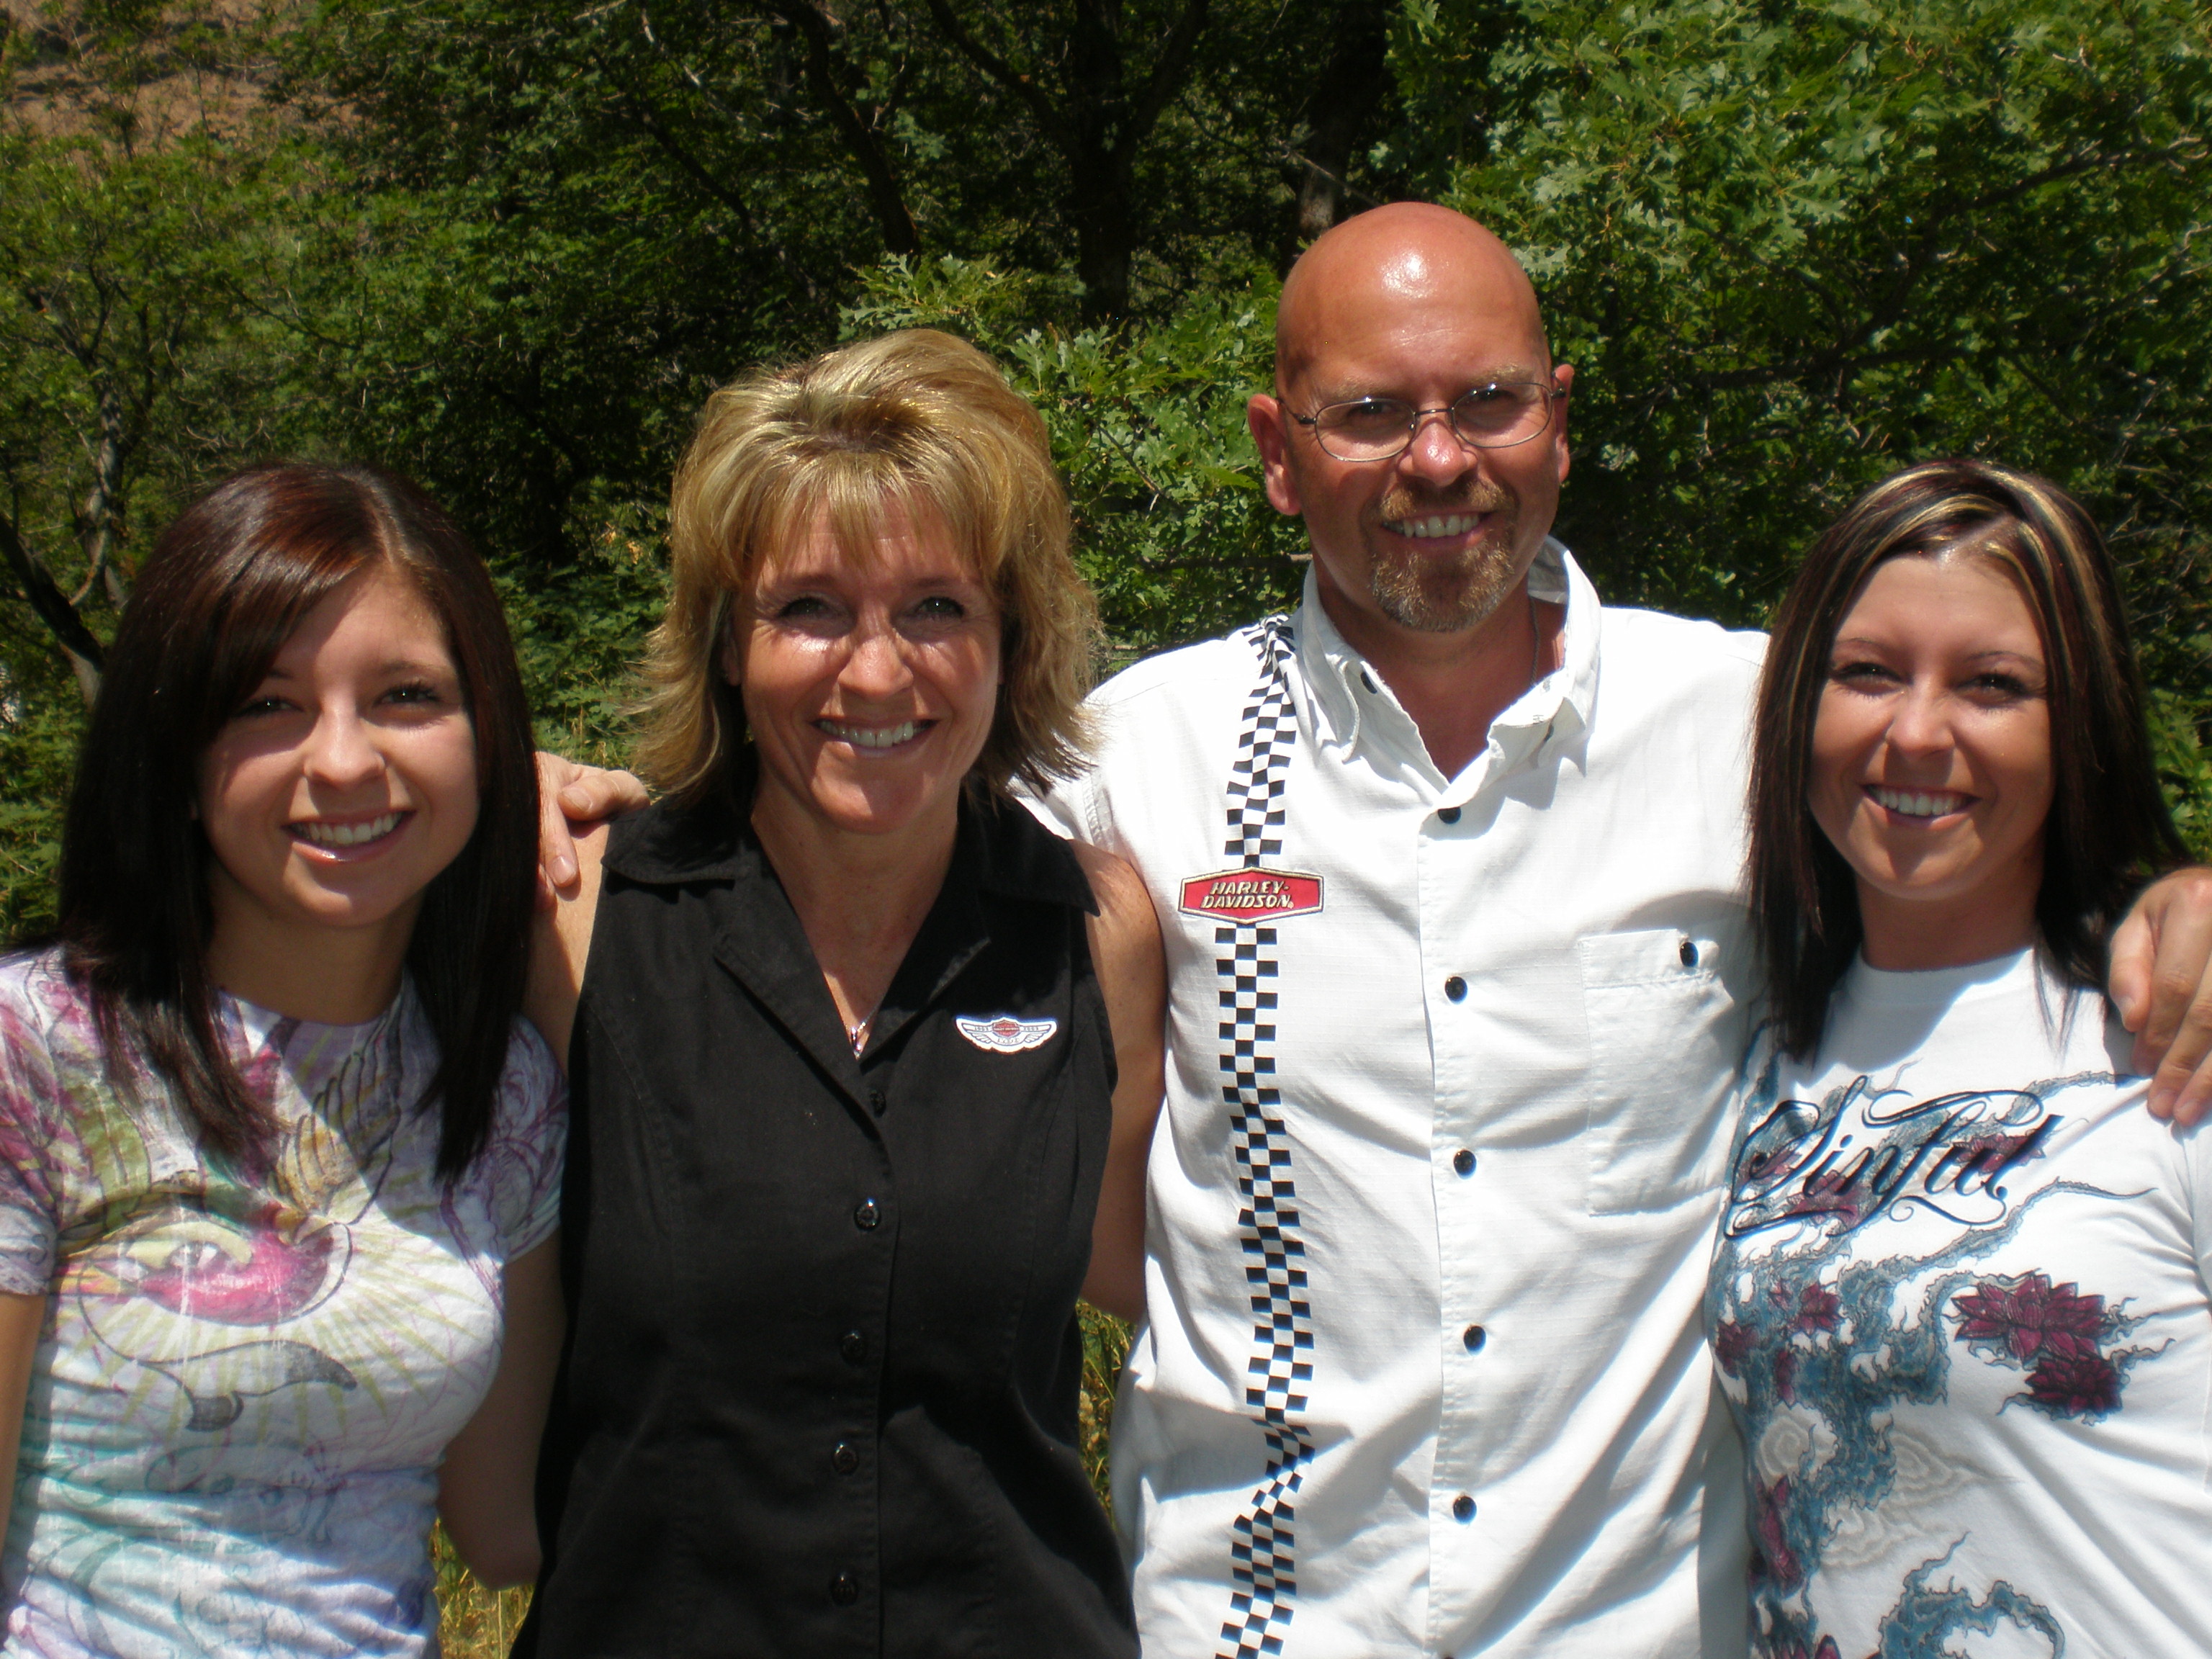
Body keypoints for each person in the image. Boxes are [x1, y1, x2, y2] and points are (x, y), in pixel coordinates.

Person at [541, 204, 2212, 1655]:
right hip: (1253, 1626)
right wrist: (542, 812)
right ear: (1279, 453)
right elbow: (846, 803)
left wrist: (2176, 897)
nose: (1437, 460)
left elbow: (1988, 856)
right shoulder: (1133, 761)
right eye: (1369, 414)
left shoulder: (1757, 729)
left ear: (1560, 421)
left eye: (1487, 402)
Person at [515, 328, 1165, 1657]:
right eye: (809, 608)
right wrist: (464, 789)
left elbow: (1168, 1274)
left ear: (1012, 639)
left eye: (937, 608)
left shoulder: (1099, 934)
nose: (876, 672)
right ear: (726, 645)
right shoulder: (575, 922)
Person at [0, 463, 566, 1658]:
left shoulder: (504, 1089)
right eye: (268, 703)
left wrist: (660, 846)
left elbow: (508, 1528)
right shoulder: (36, 1053)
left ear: (487, 736)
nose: (345, 760)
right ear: (174, 752)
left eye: (407, 696)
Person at [1711, 460, 2208, 1657]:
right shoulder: (1750, 1054)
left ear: (2078, 725)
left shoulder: (2168, 1047)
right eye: (1868, 673)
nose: (1918, 732)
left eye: (1993, 686)